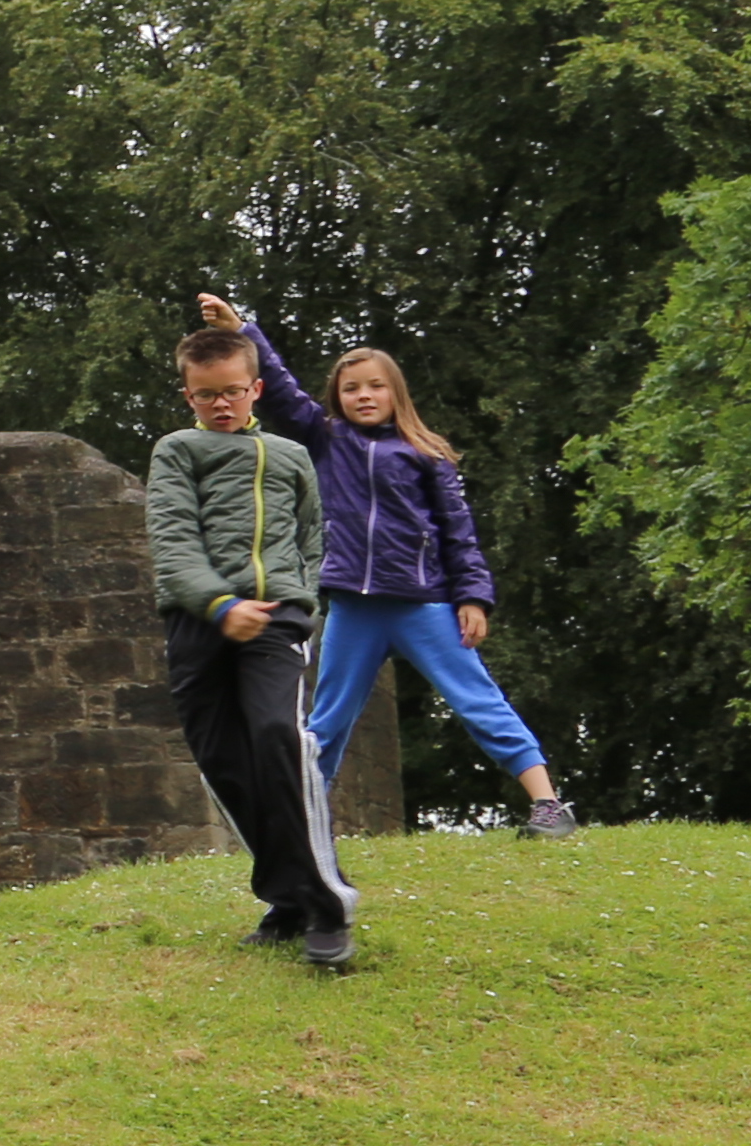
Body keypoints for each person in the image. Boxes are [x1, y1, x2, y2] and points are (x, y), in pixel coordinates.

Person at [196, 295, 580, 838]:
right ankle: (301, 826)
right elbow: (280, 390)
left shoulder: (427, 454)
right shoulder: (327, 441)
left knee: (478, 700)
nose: (364, 395)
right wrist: (243, 330)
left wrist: (473, 597)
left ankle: (548, 806)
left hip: (424, 603)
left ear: (394, 392)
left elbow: (458, 533)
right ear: (337, 399)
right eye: (351, 388)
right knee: (327, 721)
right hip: (354, 606)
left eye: (375, 386)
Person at [150, 319, 353, 968]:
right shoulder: (176, 452)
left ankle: (326, 907)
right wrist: (219, 604)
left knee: (278, 738)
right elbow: (173, 542)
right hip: (198, 624)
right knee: (224, 764)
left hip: (277, 624)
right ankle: (287, 898)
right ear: (189, 397)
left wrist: (301, 606)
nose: (222, 404)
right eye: (207, 395)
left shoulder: (291, 457)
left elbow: (312, 540)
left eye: (233, 391)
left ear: (255, 388)